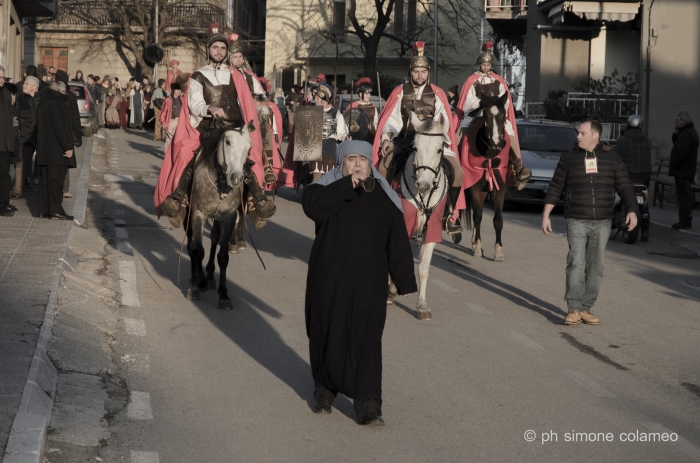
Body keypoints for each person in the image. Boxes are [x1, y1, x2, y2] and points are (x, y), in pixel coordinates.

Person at [302, 140, 417, 425]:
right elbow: (312, 208)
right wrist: (345, 187)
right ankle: (325, 393)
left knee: (367, 338)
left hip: (369, 282)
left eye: (362, 160)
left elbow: (397, 239)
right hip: (328, 280)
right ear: (342, 164)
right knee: (326, 334)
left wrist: (403, 280)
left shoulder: (384, 196)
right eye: (351, 159)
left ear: (370, 164)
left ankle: (369, 405)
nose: (357, 164)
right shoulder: (325, 189)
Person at [155, 29, 273, 229]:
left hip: (233, 127)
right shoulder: (198, 75)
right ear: (208, 50)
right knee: (187, 155)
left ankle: (256, 201)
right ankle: (179, 198)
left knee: (249, 157)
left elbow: (244, 104)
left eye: (222, 48)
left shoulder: (236, 76)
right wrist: (209, 108)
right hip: (207, 128)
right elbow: (194, 103)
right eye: (215, 48)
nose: (219, 51)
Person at [541, 120, 638, 325]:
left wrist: (631, 210)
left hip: (603, 220)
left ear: (595, 136)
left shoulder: (612, 159)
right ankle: (574, 308)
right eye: (577, 133)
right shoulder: (568, 158)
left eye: (582, 133)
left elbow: (625, 186)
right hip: (576, 219)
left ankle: (586, 308)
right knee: (576, 261)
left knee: (596, 266)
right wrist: (546, 215)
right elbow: (556, 187)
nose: (577, 137)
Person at [374, 41, 465, 236]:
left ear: (428, 72)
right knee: (384, 166)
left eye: (423, 71)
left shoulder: (438, 94)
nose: (420, 75)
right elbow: (392, 120)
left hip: (431, 141)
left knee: (458, 173)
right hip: (405, 139)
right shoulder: (399, 92)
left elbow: (444, 122)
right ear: (410, 71)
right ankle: (381, 210)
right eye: (416, 71)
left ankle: (448, 216)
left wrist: (434, 133)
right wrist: (387, 139)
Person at [36, 81, 75, 220]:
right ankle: (55, 210)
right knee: (56, 181)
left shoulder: (43, 102)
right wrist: (68, 147)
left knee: (45, 180)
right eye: (64, 92)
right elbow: (61, 128)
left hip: (44, 149)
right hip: (56, 150)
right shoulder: (57, 104)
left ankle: (43, 209)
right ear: (61, 91)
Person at [615, 115, 652, 240]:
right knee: (645, 201)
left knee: (618, 194)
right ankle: (645, 229)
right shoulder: (647, 140)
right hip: (644, 178)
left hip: (627, 176)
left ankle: (615, 216)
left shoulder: (623, 140)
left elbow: (616, 157)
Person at [669, 110, 699, 229]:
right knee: (685, 196)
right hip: (686, 170)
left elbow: (681, 152)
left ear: (683, 121)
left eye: (677, 119)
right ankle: (685, 219)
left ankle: (685, 220)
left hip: (683, 170)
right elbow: (677, 144)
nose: (676, 121)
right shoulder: (687, 132)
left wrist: (674, 164)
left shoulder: (687, 134)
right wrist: (676, 133)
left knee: (684, 197)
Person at [55, 70, 83, 198]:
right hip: (68, 131)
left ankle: (58, 187)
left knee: (56, 159)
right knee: (66, 158)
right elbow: (75, 117)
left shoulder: (51, 94)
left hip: (55, 131)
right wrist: (78, 134)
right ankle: (65, 189)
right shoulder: (70, 96)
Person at [13, 76, 41, 198]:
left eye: (27, 84)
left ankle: (27, 182)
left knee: (33, 162)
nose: (23, 85)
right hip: (24, 136)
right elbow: (15, 116)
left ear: (34, 87)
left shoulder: (41, 100)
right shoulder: (20, 100)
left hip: (39, 136)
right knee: (21, 163)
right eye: (24, 83)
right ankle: (17, 190)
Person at [0, 66, 17, 216]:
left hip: (5, 143)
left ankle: (3, 203)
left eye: (2, 77)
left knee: (5, 175)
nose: (1, 80)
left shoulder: (6, 93)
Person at [160, 82, 184, 148]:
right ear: (173, 90)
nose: (180, 91)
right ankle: (167, 156)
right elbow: (163, 112)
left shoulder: (182, 100)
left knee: (179, 140)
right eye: (178, 89)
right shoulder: (168, 100)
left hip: (180, 121)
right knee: (169, 140)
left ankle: (175, 155)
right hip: (171, 121)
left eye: (180, 90)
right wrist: (163, 122)